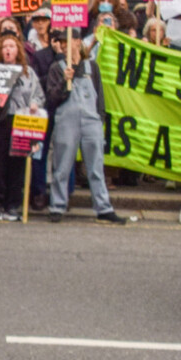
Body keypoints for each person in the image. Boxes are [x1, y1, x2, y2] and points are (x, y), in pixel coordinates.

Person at [44, 33, 130, 225]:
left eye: (68, 41)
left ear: (77, 42)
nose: (64, 45)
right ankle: (57, 206)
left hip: (91, 120)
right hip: (66, 120)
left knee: (96, 167)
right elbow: (51, 98)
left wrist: (100, 119)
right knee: (62, 166)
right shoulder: (56, 68)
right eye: (61, 42)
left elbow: (99, 96)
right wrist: (64, 83)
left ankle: (103, 208)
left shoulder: (92, 66)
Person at [0, 33, 44, 222]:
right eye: (5, 47)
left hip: (21, 121)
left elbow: (38, 94)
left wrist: (34, 103)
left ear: (18, 51)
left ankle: (12, 204)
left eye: (12, 46)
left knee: (16, 165)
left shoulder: (28, 73)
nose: (8, 50)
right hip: (0, 121)